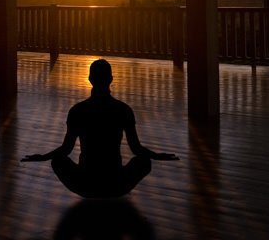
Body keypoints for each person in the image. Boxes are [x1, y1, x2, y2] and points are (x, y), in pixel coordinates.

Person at [22, 59, 179, 198]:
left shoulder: (78, 110)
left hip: (85, 184)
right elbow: (136, 149)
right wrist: (156, 156)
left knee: (58, 161)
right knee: (144, 161)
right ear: (111, 79)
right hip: (116, 184)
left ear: (90, 79)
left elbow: (66, 149)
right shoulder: (123, 109)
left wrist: (43, 157)